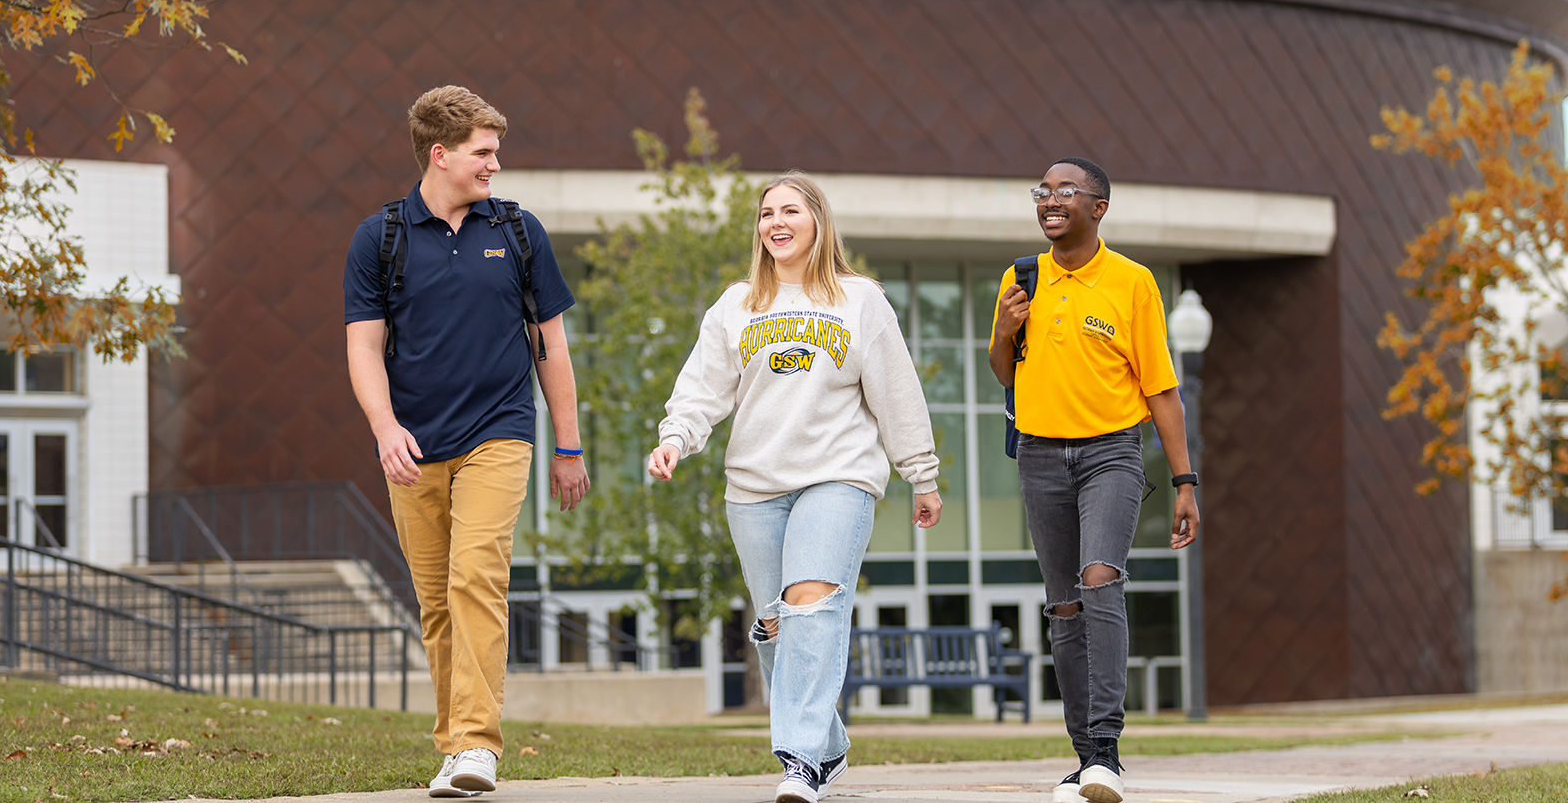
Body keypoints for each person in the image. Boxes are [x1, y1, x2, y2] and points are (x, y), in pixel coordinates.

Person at [646, 172, 942, 803]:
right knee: (781, 624)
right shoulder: (736, 304)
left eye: (789, 210)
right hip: (754, 485)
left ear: (818, 222)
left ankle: (800, 761)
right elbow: (703, 389)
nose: (775, 222)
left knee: (811, 603)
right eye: (765, 213)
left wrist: (921, 473)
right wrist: (676, 439)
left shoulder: (859, 300)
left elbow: (896, 392)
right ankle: (828, 745)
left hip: (839, 475)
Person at [344, 86, 590, 798]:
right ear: (440, 153)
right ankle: (453, 747)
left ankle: (478, 745)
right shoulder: (380, 237)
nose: (495, 165)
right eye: (484, 153)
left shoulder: (517, 231)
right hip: (414, 445)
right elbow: (364, 348)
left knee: (475, 575)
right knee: (437, 600)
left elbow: (552, 348)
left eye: (496, 151)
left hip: (500, 432)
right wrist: (385, 427)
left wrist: (568, 448)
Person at [987, 158, 1201, 803]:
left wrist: (1186, 480)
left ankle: (1106, 750)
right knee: (1066, 605)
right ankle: (1084, 760)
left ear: (1098, 207)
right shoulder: (1020, 277)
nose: (1050, 200)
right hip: (1040, 457)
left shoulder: (1133, 284)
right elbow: (1005, 373)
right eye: (1042, 192)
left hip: (1112, 454)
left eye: (1065, 192)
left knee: (1100, 580)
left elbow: (1162, 390)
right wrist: (1003, 330)